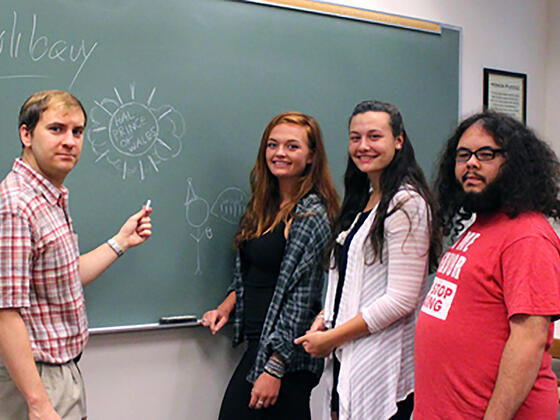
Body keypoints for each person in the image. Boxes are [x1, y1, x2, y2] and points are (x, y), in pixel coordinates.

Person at [0, 90, 152, 420]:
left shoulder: (47, 198)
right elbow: (5, 312)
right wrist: (38, 402)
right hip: (34, 377)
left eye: (77, 131)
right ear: (26, 134)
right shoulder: (16, 206)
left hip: (60, 371)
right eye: (56, 129)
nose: (70, 141)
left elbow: (62, 276)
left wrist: (121, 241)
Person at [295, 100, 440, 420]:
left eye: (375, 137)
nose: (363, 146)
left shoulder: (407, 203)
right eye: (355, 137)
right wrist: (327, 314)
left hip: (379, 361)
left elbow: (401, 299)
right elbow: (351, 278)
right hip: (347, 354)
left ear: (398, 141)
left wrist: (331, 338)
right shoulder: (362, 199)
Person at [414, 111, 560, 419]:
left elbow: (529, 341)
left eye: (486, 154)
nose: (471, 163)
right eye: (463, 155)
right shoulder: (480, 226)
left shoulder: (527, 235)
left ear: (515, 163)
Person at [201, 111, 339, 419]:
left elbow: (302, 300)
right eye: (273, 145)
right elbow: (253, 274)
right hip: (259, 345)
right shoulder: (263, 205)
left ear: (311, 157)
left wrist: (275, 368)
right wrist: (226, 306)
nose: (279, 153)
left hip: (286, 358)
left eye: (292, 146)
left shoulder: (311, 215)